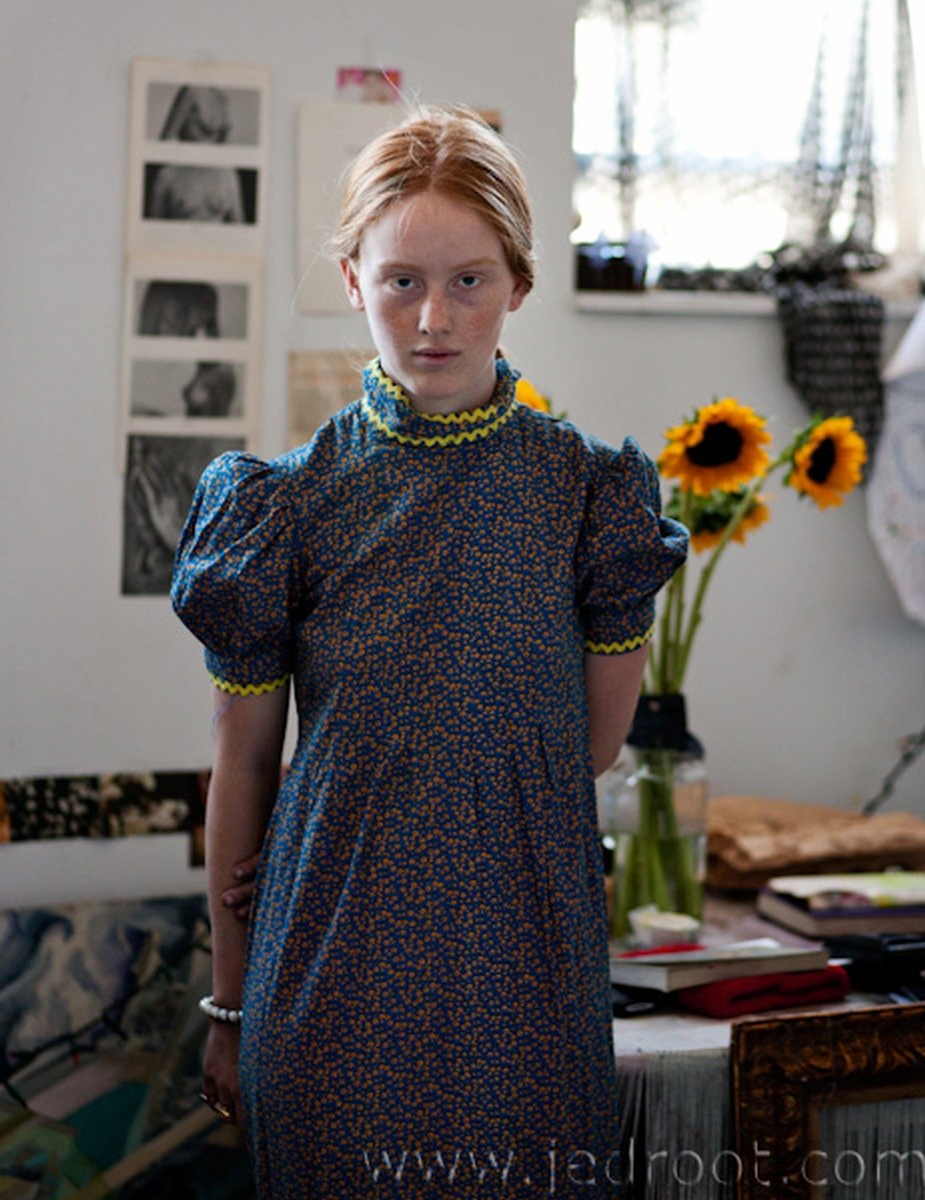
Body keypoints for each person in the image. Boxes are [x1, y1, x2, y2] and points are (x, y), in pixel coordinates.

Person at [171, 105, 687, 1199]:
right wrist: (229, 1003)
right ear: (352, 280)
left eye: (469, 281)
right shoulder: (283, 507)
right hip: (325, 980)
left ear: (520, 285)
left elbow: (586, 750)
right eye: (401, 280)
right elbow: (245, 768)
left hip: (526, 983)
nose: (434, 317)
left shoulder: (590, 498)